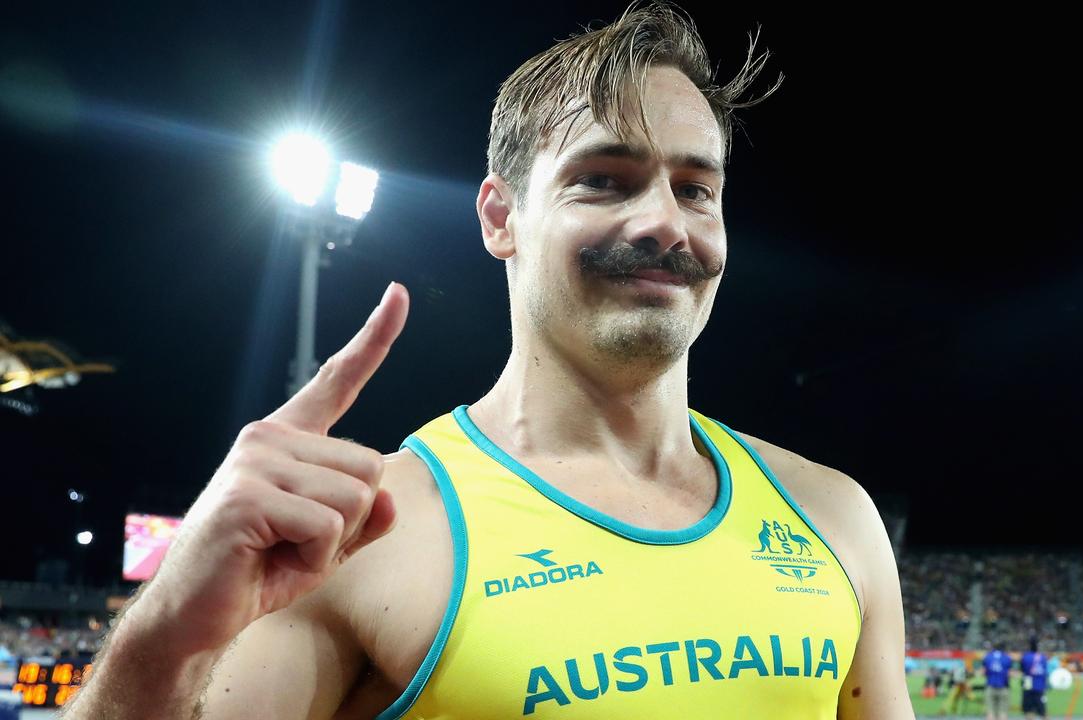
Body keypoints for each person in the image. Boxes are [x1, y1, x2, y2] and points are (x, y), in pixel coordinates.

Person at [60, 3, 912, 719]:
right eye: (605, 179)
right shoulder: (363, 539)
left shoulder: (834, 519)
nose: (665, 222)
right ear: (500, 218)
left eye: (696, 188)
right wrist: (164, 630)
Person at [982, 643, 1013, 720]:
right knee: (1003, 712)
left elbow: (984, 672)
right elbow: (1009, 673)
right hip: (1003, 686)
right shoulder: (1007, 658)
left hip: (990, 686)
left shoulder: (987, 657)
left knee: (990, 712)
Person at [1019, 639, 1048, 720]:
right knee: (1043, 711)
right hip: (1039, 686)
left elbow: (1022, 670)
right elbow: (1045, 672)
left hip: (1028, 684)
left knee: (1029, 711)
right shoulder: (1043, 658)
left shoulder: (1025, 657)